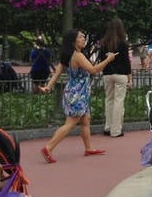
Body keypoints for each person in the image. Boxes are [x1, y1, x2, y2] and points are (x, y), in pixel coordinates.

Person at [38, 29, 116, 163]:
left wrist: (48, 86)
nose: (83, 39)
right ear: (74, 41)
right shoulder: (77, 56)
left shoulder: (68, 56)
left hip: (74, 92)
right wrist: (108, 60)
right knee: (71, 123)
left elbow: (57, 73)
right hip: (78, 94)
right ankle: (48, 147)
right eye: (81, 37)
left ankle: (89, 148)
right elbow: (93, 70)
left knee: (86, 119)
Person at [99, 18, 132, 138]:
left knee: (109, 100)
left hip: (107, 74)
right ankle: (116, 130)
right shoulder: (123, 43)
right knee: (119, 101)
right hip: (121, 74)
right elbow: (126, 62)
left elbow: (101, 59)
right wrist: (130, 78)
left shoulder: (103, 43)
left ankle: (107, 127)